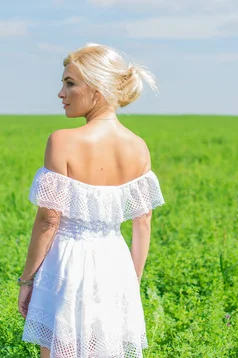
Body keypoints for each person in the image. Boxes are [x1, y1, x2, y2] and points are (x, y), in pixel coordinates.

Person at [18, 43, 165, 358]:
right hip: (116, 263)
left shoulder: (62, 141)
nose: (61, 93)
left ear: (97, 89)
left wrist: (27, 278)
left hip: (69, 261)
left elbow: (49, 220)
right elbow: (143, 223)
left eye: (70, 83)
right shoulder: (139, 148)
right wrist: (132, 281)